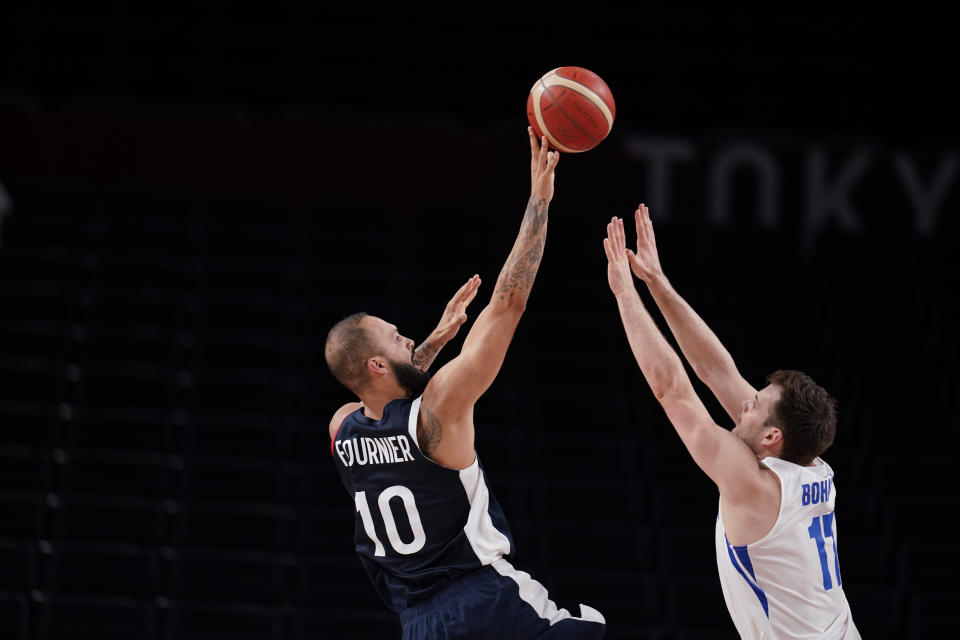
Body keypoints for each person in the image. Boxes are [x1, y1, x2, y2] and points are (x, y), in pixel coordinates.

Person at [324, 128, 606, 640]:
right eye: (396, 338)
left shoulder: (343, 431)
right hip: (486, 603)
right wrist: (538, 201)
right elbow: (507, 304)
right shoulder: (437, 414)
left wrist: (429, 344)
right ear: (377, 367)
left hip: (417, 625)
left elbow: (380, 396)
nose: (407, 337)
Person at [601, 205, 860, 639]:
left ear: (773, 436)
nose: (744, 403)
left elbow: (673, 392)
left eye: (756, 403)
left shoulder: (753, 486)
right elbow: (716, 370)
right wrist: (657, 283)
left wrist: (625, 295)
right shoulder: (811, 462)